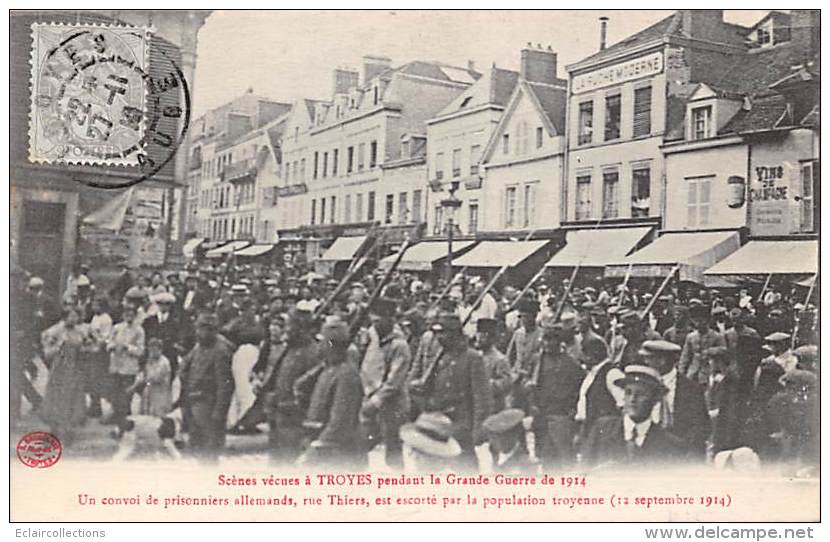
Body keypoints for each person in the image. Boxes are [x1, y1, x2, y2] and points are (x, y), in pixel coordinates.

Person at [409, 311, 491, 471]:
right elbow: (428, 389)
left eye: (443, 332)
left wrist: (479, 428)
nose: (439, 337)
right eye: (437, 333)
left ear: (455, 334)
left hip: (461, 424)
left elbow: (482, 397)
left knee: (465, 470)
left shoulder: (472, 358)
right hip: (438, 423)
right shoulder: (439, 357)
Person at [581, 365, 687, 468]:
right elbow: (584, 472)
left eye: (640, 394)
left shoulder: (669, 445)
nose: (632, 399)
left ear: (655, 400)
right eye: (628, 393)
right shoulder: (602, 429)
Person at [299, 316, 364, 467]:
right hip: (327, 450)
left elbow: (339, 422)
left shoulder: (346, 374)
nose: (318, 346)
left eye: (321, 341)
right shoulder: (328, 369)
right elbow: (300, 388)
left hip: (340, 455)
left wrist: (315, 449)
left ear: (329, 344)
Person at [360, 298, 412, 470]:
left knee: (393, 449)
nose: (375, 324)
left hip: (392, 404)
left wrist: (374, 402)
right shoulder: (372, 337)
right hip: (370, 398)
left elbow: (394, 381)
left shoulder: (400, 345)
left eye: (378, 320)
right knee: (363, 443)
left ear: (389, 318)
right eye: (373, 320)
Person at [526, 317, 585, 467]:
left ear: (559, 342)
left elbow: (580, 388)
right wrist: (532, 404)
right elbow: (530, 384)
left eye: (550, 340)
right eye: (544, 340)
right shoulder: (537, 360)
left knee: (564, 458)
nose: (546, 344)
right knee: (545, 458)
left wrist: (573, 410)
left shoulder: (570, 364)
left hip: (561, 416)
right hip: (541, 415)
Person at [265, 305, 319, 463]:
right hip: (279, 418)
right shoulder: (288, 350)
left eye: (290, 326)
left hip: (296, 423)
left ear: (301, 328)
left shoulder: (313, 353)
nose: (286, 330)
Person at [638, 340, 709, 459]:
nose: (645, 362)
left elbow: (701, 425)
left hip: (680, 452)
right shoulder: (643, 385)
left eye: (649, 359)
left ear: (662, 361)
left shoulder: (691, 388)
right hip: (648, 451)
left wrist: (682, 449)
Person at [178, 312, 235, 462]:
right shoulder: (199, 347)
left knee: (209, 454)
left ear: (212, 330)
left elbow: (225, 386)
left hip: (209, 406)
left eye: (202, 329)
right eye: (198, 329)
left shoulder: (221, 351)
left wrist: (219, 413)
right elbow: (184, 366)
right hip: (194, 403)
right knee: (197, 450)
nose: (198, 333)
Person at [38, 305, 89, 445]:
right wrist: (58, 347)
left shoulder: (80, 331)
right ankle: (54, 428)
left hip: (75, 368)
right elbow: (46, 351)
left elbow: (88, 346)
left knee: (72, 397)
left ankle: (69, 429)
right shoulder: (55, 330)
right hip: (60, 369)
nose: (74, 319)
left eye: (75, 316)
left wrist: (84, 350)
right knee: (57, 397)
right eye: (71, 316)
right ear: (65, 317)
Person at [574, 334, 623, 443]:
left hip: (606, 433)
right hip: (590, 429)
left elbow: (623, 404)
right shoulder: (592, 373)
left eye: (584, 355)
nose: (582, 359)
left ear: (594, 355)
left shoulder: (612, 374)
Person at [106, 305, 145, 425]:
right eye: (126, 314)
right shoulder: (117, 327)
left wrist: (127, 347)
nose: (129, 316)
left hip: (129, 367)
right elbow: (109, 342)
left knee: (127, 393)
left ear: (135, 315)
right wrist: (112, 346)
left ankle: (124, 418)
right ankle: (115, 414)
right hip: (116, 365)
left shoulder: (139, 330)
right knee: (115, 391)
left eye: (131, 314)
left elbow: (140, 350)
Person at [678, 304, 727, 386]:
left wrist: (711, 351)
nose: (698, 324)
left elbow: (724, 352)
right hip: (693, 373)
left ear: (707, 321)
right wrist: (681, 373)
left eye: (701, 321)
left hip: (710, 373)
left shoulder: (717, 336)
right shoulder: (691, 337)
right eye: (696, 321)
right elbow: (685, 356)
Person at [84, 296, 113, 418]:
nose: (94, 307)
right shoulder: (95, 317)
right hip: (92, 350)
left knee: (98, 379)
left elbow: (105, 338)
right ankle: (94, 405)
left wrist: (94, 336)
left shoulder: (106, 319)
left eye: (96, 305)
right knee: (91, 379)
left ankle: (97, 406)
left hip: (100, 352)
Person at [483, 408, 536, 474]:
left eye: (496, 438)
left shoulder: (523, 463)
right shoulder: (494, 453)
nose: (492, 441)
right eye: (492, 438)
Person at [476, 318, 512, 412]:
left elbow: (506, 383)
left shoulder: (500, 359)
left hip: (494, 407)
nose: (479, 339)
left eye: (483, 336)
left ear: (492, 338)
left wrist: (487, 384)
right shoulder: (475, 357)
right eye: (478, 336)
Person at [133, 337, 173, 417]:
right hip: (150, 390)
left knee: (159, 416)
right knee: (144, 414)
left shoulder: (164, 362)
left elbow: (155, 377)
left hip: (161, 392)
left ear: (160, 350)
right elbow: (145, 373)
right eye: (150, 350)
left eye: (155, 350)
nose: (152, 352)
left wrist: (142, 382)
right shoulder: (150, 360)